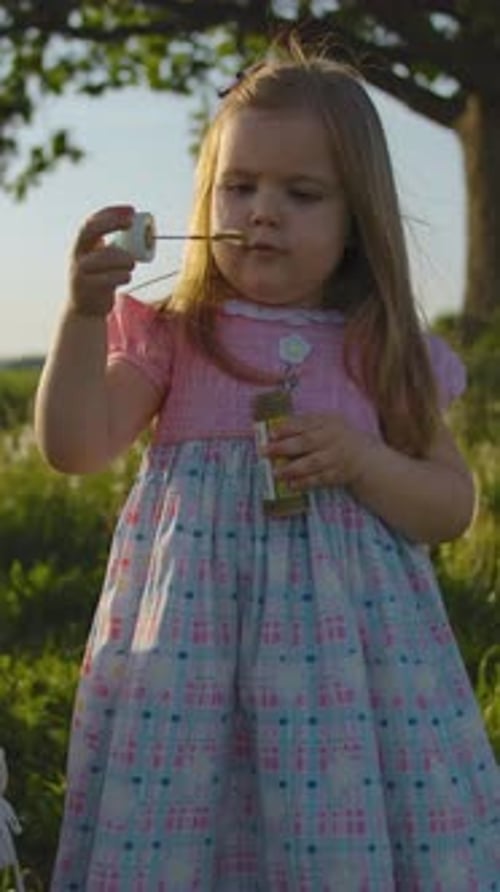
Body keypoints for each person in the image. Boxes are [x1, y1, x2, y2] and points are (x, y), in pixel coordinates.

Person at [35, 43, 500, 892]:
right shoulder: (179, 338)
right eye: (239, 187)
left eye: (302, 194)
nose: (262, 214)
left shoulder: (380, 349)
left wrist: (362, 460)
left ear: (357, 216)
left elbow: (448, 506)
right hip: (188, 668)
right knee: (189, 828)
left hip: (356, 686)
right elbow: (75, 445)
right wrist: (81, 315)